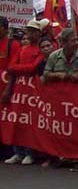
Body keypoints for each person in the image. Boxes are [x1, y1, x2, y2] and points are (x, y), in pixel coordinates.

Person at [3, 19, 47, 165]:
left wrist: (20, 68)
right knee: (17, 119)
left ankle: (30, 152)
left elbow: (34, 67)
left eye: (34, 31)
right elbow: (11, 66)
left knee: (30, 120)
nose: (31, 33)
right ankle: (18, 152)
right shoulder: (22, 49)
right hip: (19, 89)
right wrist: (22, 69)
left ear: (39, 33)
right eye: (29, 30)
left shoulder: (40, 49)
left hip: (32, 90)